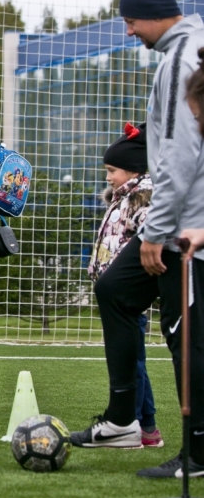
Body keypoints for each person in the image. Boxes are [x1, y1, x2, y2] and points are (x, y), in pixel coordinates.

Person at [71, 0, 204, 480]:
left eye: (129, 22)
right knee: (116, 291)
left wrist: (156, 231)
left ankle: (199, 454)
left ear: (150, 14)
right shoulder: (193, 45)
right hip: (184, 221)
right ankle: (124, 421)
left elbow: (175, 156)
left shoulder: (178, 59)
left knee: (186, 335)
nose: (129, 32)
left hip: (184, 232)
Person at [86, 123, 162, 448]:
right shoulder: (121, 197)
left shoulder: (141, 197)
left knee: (134, 363)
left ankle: (133, 421)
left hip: (130, 297)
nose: (108, 177)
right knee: (135, 361)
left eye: (112, 170)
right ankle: (147, 428)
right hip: (114, 291)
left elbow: (148, 229)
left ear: (133, 170)